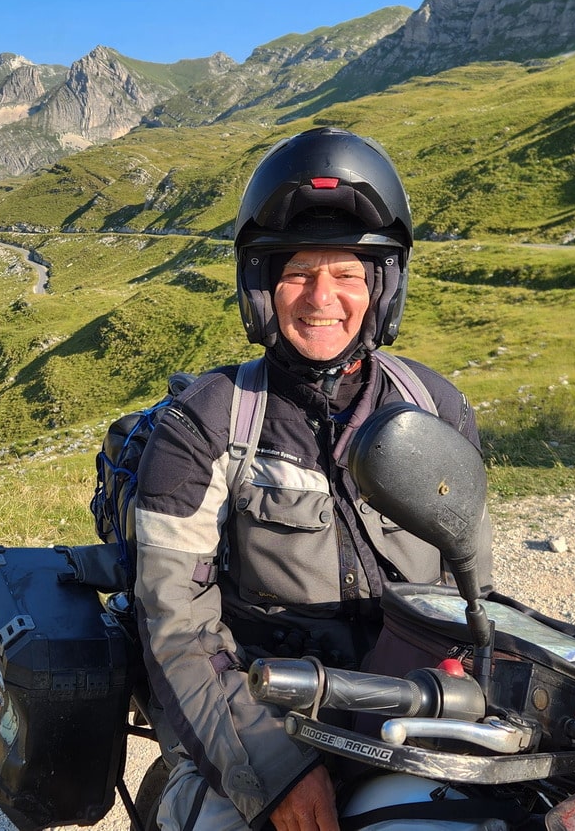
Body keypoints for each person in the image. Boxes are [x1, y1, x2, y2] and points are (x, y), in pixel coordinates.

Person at [132, 126, 493, 831]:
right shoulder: (205, 423)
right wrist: (273, 771)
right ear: (263, 286)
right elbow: (175, 623)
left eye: (348, 273)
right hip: (261, 715)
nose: (322, 296)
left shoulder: (436, 409)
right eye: (298, 272)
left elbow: (470, 586)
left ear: (381, 286)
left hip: (404, 709)